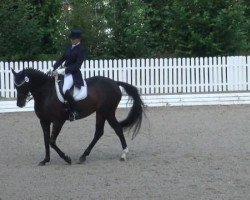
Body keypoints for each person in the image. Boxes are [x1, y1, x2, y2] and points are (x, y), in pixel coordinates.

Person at [53, 29, 85, 121]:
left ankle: (75, 111)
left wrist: (64, 70)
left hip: (73, 73)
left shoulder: (81, 49)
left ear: (78, 39)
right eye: (71, 38)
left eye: (73, 39)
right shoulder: (69, 46)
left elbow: (78, 65)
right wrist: (53, 67)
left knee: (65, 89)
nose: (72, 40)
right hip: (64, 71)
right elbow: (62, 58)